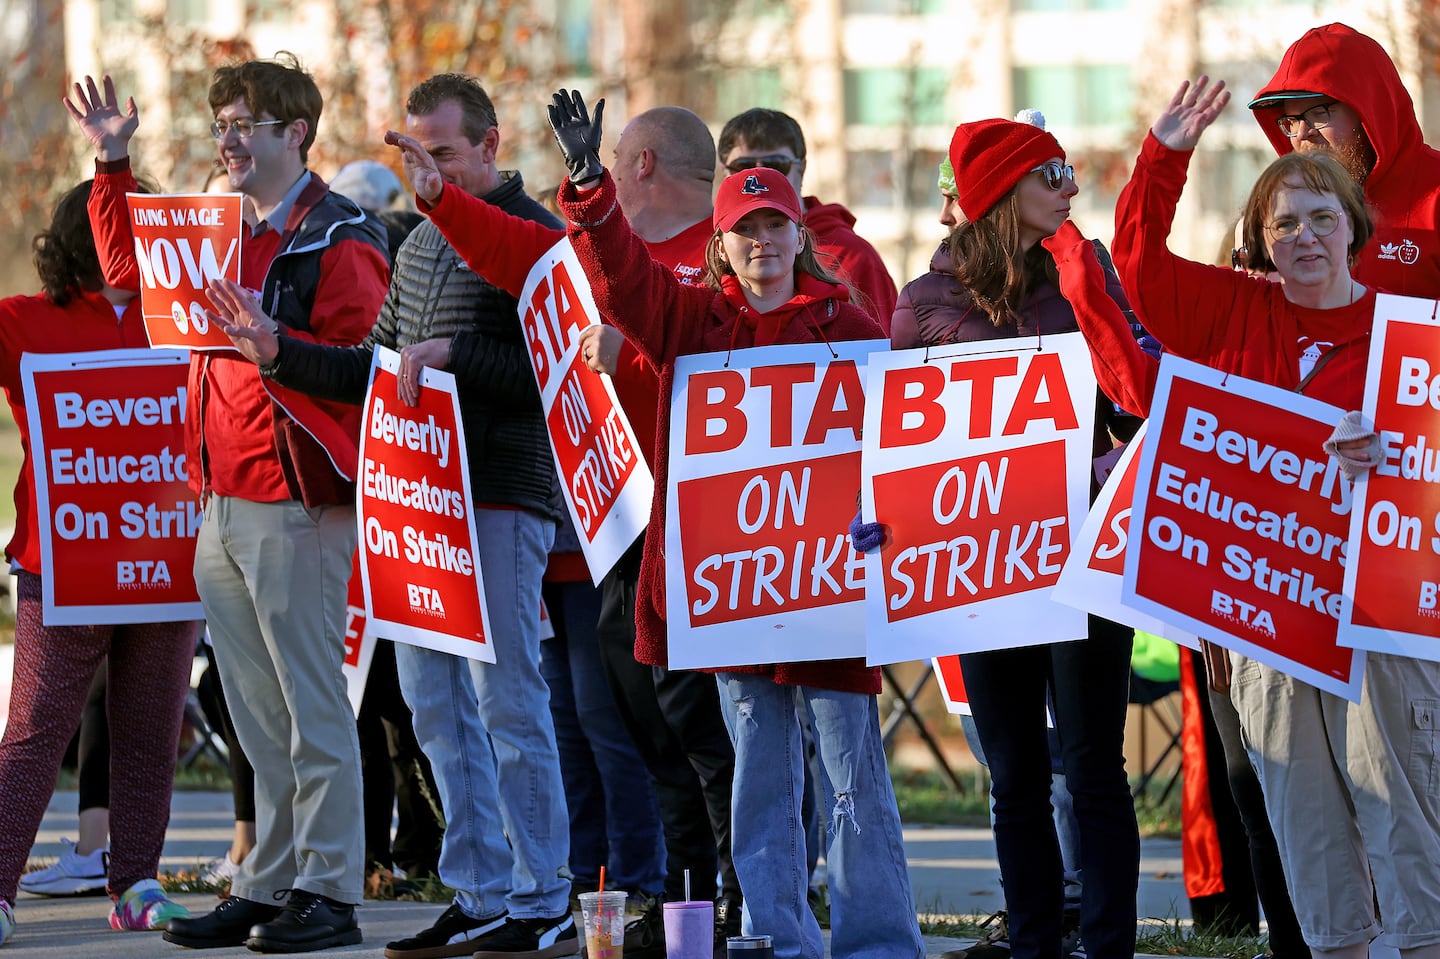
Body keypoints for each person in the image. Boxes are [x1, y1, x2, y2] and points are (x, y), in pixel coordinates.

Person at [398, 86, 924, 959]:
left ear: (802, 235)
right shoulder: (693, 322)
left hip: (830, 589)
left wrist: (876, 538)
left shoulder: (851, 325)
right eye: (746, 230)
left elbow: (892, 456)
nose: (763, 242)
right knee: (758, 773)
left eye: (777, 226)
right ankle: (777, 934)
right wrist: (588, 182)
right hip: (736, 590)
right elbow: (620, 279)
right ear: (721, 243)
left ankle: (877, 942)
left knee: (850, 774)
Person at [209, 72, 577, 959]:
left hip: (495, 495)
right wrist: (280, 350)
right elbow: (375, 373)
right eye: (413, 153)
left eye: (442, 153)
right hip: (420, 503)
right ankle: (481, 889)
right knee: (432, 706)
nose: (427, 171)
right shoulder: (414, 248)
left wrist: (456, 354)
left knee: (508, 703)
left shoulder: (535, 236)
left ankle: (546, 896)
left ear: (490, 147)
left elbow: (550, 376)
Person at [1100, 73, 1440, 959]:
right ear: (1260, 240)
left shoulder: (1411, 335)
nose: (1303, 237)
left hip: (1377, 625)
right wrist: (1163, 155)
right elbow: (1133, 260)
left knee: (1404, 819)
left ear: (1356, 230)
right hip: (1266, 624)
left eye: (1321, 218)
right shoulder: (1230, 311)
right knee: (1308, 830)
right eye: (1283, 223)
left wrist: (1393, 457)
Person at [392, 102, 745, 953]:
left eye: (610, 160)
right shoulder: (588, 251)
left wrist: (638, 361)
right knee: (645, 731)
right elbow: (524, 256)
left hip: (714, 535)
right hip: (618, 536)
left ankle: (753, 902)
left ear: (647, 163)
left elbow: (717, 362)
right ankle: (682, 911)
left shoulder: (726, 258)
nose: (600, 171)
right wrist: (439, 200)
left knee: (719, 735)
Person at [67, 59, 390, 953]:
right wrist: (112, 164)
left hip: (298, 498)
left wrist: (277, 345)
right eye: (221, 124)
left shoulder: (340, 234)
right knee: (255, 717)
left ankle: (329, 889)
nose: (228, 138)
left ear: (298, 134)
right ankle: (271, 879)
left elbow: (367, 367)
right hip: (221, 498)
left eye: (247, 122)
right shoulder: (213, 226)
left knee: (313, 707)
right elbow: (129, 274)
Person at [887, 116, 1140, 959]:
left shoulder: (1085, 269)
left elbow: (1136, 391)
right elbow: (901, 441)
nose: (1069, 183)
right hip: (981, 565)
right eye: (1051, 171)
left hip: (1081, 557)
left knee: (1093, 764)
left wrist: (1112, 456)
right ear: (1003, 191)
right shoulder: (925, 303)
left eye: (1069, 167)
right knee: (1016, 776)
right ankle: (1034, 943)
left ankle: (1106, 946)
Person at [0, 179, 200, 947]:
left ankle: (137, 882)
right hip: (62, 563)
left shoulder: (183, 324)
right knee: (36, 730)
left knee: (150, 730)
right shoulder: (24, 320)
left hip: (165, 558)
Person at [1248, 22, 1440, 296]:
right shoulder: (1281, 212)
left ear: (1370, 112)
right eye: (1291, 121)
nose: (1303, 134)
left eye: (1318, 113)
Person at [717, 108, 898, 331]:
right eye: (742, 167)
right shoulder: (710, 255)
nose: (759, 175)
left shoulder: (853, 255)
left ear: (801, 169)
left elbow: (882, 355)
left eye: (776, 165)